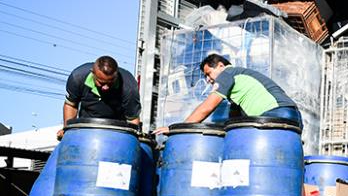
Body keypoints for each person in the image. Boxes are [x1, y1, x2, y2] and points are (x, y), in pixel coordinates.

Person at [153, 54, 302, 134]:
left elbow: (207, 107)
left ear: (220, 66)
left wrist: (177, 129)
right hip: (292, 115)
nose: (208, 80)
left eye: (209, 74)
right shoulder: (237, 83)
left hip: (274, 114)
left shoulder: (227, 73)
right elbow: (233, 121)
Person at [57, 56, 141, 140]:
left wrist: (131, 139)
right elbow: (71, 105)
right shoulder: (77, 77)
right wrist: (67, 131)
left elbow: (132, 119)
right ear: (92, 73)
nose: (105, 87)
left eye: (110, 83)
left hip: (117, 132)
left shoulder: (129, 87)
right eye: (101, 83)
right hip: (85, 128)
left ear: (116, 75)